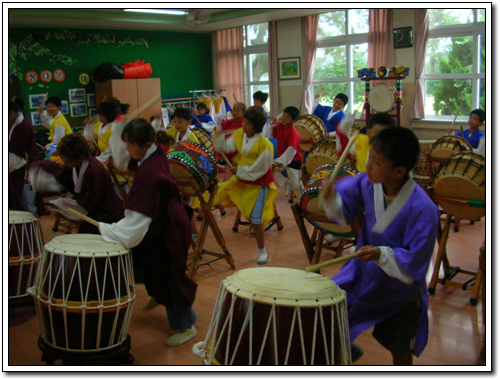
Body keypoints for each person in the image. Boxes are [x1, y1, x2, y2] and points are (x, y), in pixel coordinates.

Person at [319, 127, 439, 365]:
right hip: (363, 272)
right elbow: (345, 209)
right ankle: (342, 350)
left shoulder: (423, 209)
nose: (367, 167)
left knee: (399, 346)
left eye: (376, 162)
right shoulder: (368, 182)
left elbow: (415, 262)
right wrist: (332, 198)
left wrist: (381, 254)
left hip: (400, 289)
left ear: (398, 171)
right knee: (330, 313)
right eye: (369, 158)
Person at [98, 118, 198, 347]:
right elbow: (125, 161)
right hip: (161, 222)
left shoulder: (151, 171)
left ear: (145, 144)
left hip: (169, 228)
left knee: (171, 275)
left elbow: (139, 219)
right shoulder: (151, 154)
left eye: (130, 144)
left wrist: (109, 230)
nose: (127, 149)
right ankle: (157, 289)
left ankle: (186, 324)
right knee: (144, 265)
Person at [213, 106, 277, 265]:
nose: (243, 125)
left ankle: (262, 250)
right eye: (244, 122)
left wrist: (240, 170)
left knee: (256, 219)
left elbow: (261, 169)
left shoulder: (266, 145)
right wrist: (219, 132)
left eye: (248, 124)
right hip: (241, 180)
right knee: (214, 196)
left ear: (256, 127)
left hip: (258, 183)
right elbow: (226, 147)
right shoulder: (239, 134)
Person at [29, 134, 124, 234]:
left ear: (81, 158)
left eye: (67, 162)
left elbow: (89, 204)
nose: (65, 164)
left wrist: (62, 206)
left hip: (108, 216)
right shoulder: (76, 163)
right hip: (95, 214)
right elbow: (63, 177)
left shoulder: (95, 172)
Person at [267, 106, 303, 204]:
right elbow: (270, 135)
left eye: (287, 117)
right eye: (283, 116)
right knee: (270, 170)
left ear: (293, 120)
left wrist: (281, 161)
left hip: (294, 161)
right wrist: (271, 125)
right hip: (283, 159)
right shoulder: (279, 127)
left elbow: (292, 150)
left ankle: (304, 202)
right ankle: (285, 182)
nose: (283, 118)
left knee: (296, 185)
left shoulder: (293, 133)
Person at [8, 99, 39, 212]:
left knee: (24, 206)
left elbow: (17, 150)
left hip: (22, 170)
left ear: (11, 114)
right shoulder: (11, 124)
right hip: (13, 170)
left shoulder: (23, 126)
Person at [83, 100, 128, 165]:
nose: (100, 118)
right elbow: (89, 137)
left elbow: (111, 150)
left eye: (102, 116)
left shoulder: (114, 129)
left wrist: (98, 160)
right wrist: (88, 125)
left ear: (109, 116)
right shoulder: (99, 125)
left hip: (112, 159)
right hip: (102, 157)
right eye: (99, 115)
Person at [219, 102, 246, 180]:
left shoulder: (244, 123)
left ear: (243, 112)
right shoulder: (230, 122)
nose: (234, 112)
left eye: (237, 111)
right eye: (233, 110)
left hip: (239, 154)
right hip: (230, 153)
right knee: (229, 177)